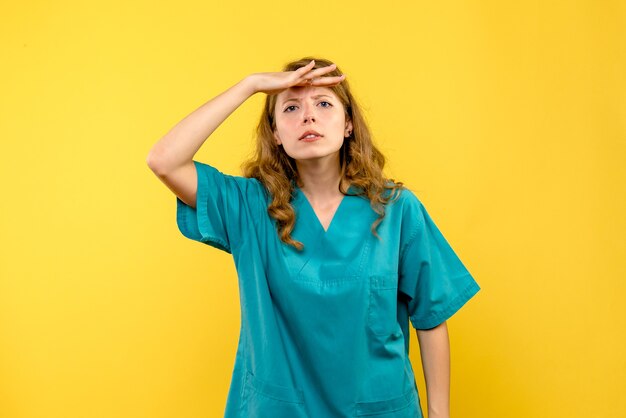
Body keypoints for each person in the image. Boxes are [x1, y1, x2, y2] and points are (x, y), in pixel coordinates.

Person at [146, 56, 481, 418]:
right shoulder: (249, 206)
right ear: (275, 132)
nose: (308, 116)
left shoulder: (397, 209)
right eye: (291, 107)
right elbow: (164, 160)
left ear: (348, 124)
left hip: (379, 408)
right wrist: (251, 85)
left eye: (324, 103)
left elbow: (431, 317)